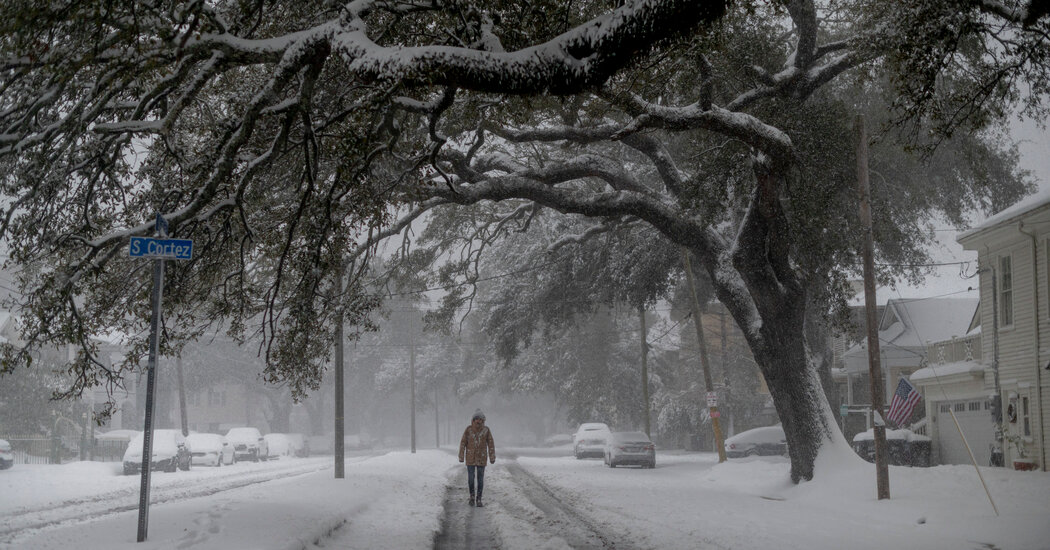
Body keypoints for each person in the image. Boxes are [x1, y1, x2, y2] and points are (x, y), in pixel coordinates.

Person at [458, 408, 495, 507]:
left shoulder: (486, 430)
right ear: (473, 420)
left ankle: (479, 498)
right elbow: (463, 443)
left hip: (481, 458)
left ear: (483, 420)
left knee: (480, 479)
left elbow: (491, 444)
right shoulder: (468, 430)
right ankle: (472, 496)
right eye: (477, 419)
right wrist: (461, 455)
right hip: (470, 458)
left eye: (481, 419)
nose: (479, 421)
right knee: (470, 479)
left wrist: (492, 457)